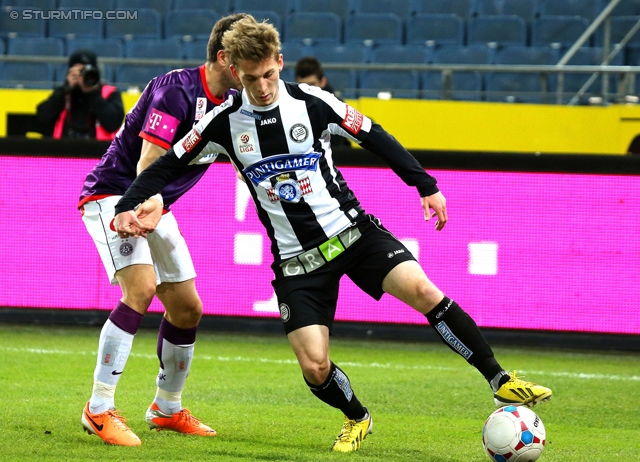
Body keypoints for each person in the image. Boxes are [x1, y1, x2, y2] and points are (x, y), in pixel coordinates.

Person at [113, 17, 553, 453]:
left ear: (279, 63)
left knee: (423, 290)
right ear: (236, 73)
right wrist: (123, 205)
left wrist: (425, 185)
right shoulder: (221, 122)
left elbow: (375, 136)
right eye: (251, 79)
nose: (263, 87)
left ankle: (500, 381)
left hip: (354, 235)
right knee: (315, 366)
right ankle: (357, 417)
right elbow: (168, 163)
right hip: (297, 263)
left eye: (268, 74)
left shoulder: (314, 103)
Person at [77, 13, 250, 447]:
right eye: (245, 62)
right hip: (116, 196)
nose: (252, 74)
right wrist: (137, 208)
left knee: (188, 308)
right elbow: (149, 163)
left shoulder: (236, 103)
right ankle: (98, 408)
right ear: (224, 57)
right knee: (140, 289)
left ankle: (166, 409)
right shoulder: (178, 89)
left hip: (156, 204)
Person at [36, 49, 124, 140]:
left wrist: (93, 93)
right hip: (64, 150)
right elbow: (43, 117)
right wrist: (64, 90)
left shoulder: (109, 92)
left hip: (99, 151)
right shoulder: (63, 93)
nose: (82, 76)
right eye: (79, 71)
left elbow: (113, 124)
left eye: (86, 71)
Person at [295, 56, 350, 148]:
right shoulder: (290, 105)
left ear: (323, 82)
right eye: (302, 85)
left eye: (312, 85)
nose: (307, 90)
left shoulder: (336, 105)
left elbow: (336, 146)